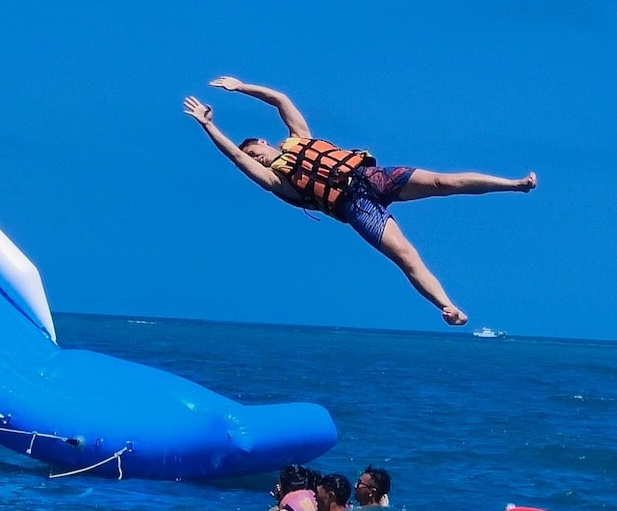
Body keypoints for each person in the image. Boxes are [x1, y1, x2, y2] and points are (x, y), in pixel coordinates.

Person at [183, 76, 537, 327]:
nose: (254, 156)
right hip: (356, 207)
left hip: (372, 177)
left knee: (444, 181)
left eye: (254, 149)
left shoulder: (298, 138)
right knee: (406, 256)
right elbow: (236, 158)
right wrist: (208, 126)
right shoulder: (277, 180)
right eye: (252, 156)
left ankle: (515, 184)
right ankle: (447, 307)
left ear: (262, 140)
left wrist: (241, 87)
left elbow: (281, 100)